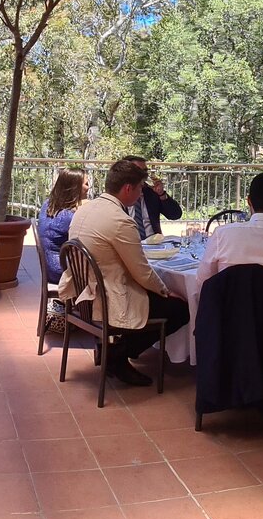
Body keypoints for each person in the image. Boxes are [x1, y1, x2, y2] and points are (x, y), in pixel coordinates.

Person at [59, 159, 188, 387]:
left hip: (82, 295)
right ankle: (117, 355)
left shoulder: (85, 209)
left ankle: (116, 353)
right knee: (180, 308)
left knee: (163, 300)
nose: (141, 194)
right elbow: (143, 273)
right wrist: (166, 291)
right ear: (128, 188)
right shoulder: (121, 221)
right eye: (140, 188)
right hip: (107, 300)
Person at [38, 170, 87, 284]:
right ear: (75, 187)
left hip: (46, 268)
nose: (88, 188)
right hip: (62, 270)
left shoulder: (47, 204)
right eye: (86, 184)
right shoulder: (70, 216)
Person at [121, 155, 182, 238]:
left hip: (154, 244)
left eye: (145, 171)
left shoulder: (151, 193)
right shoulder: (118, 197)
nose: (144, 175)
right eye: (138, 171)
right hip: (127, 244)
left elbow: (175, 215)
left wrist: (161, 194)